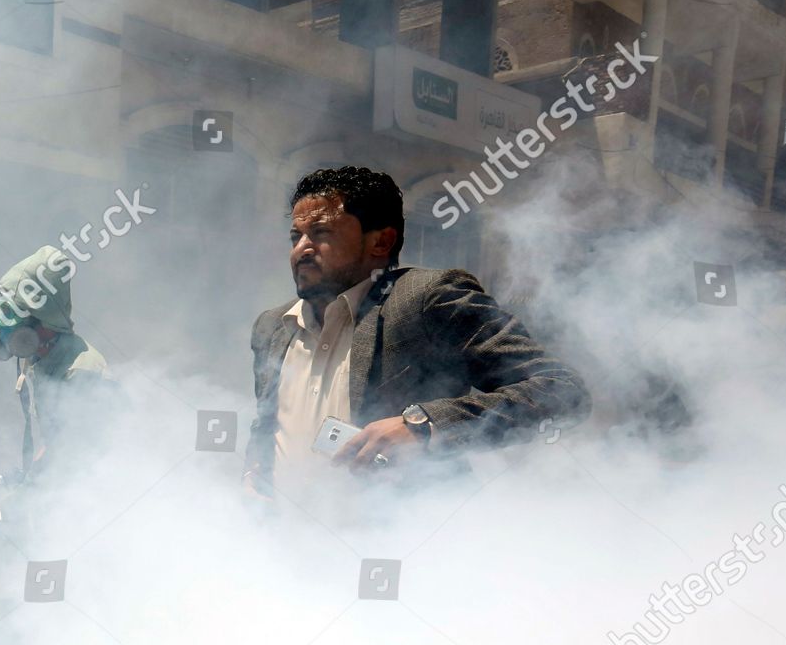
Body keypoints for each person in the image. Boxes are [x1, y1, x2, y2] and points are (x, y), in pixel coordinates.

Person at [244, 166, 589, 495]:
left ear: (381, 242)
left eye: (322, 233)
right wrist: (253, 472)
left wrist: (424, 427)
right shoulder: (273, 327)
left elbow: (560, 390)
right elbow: (267, 424)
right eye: (296, 236)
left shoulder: (425, 299)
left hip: (396, 543)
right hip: (285, 549)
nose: (301, 249)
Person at [0, 245, 113, 482]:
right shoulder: (43, 358)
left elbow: (84, 457)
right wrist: (30, 475)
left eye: (20, 318)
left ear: (45, 323)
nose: (10, 331)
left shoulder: (79, 373)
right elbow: (58, 442)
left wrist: (35, 493)